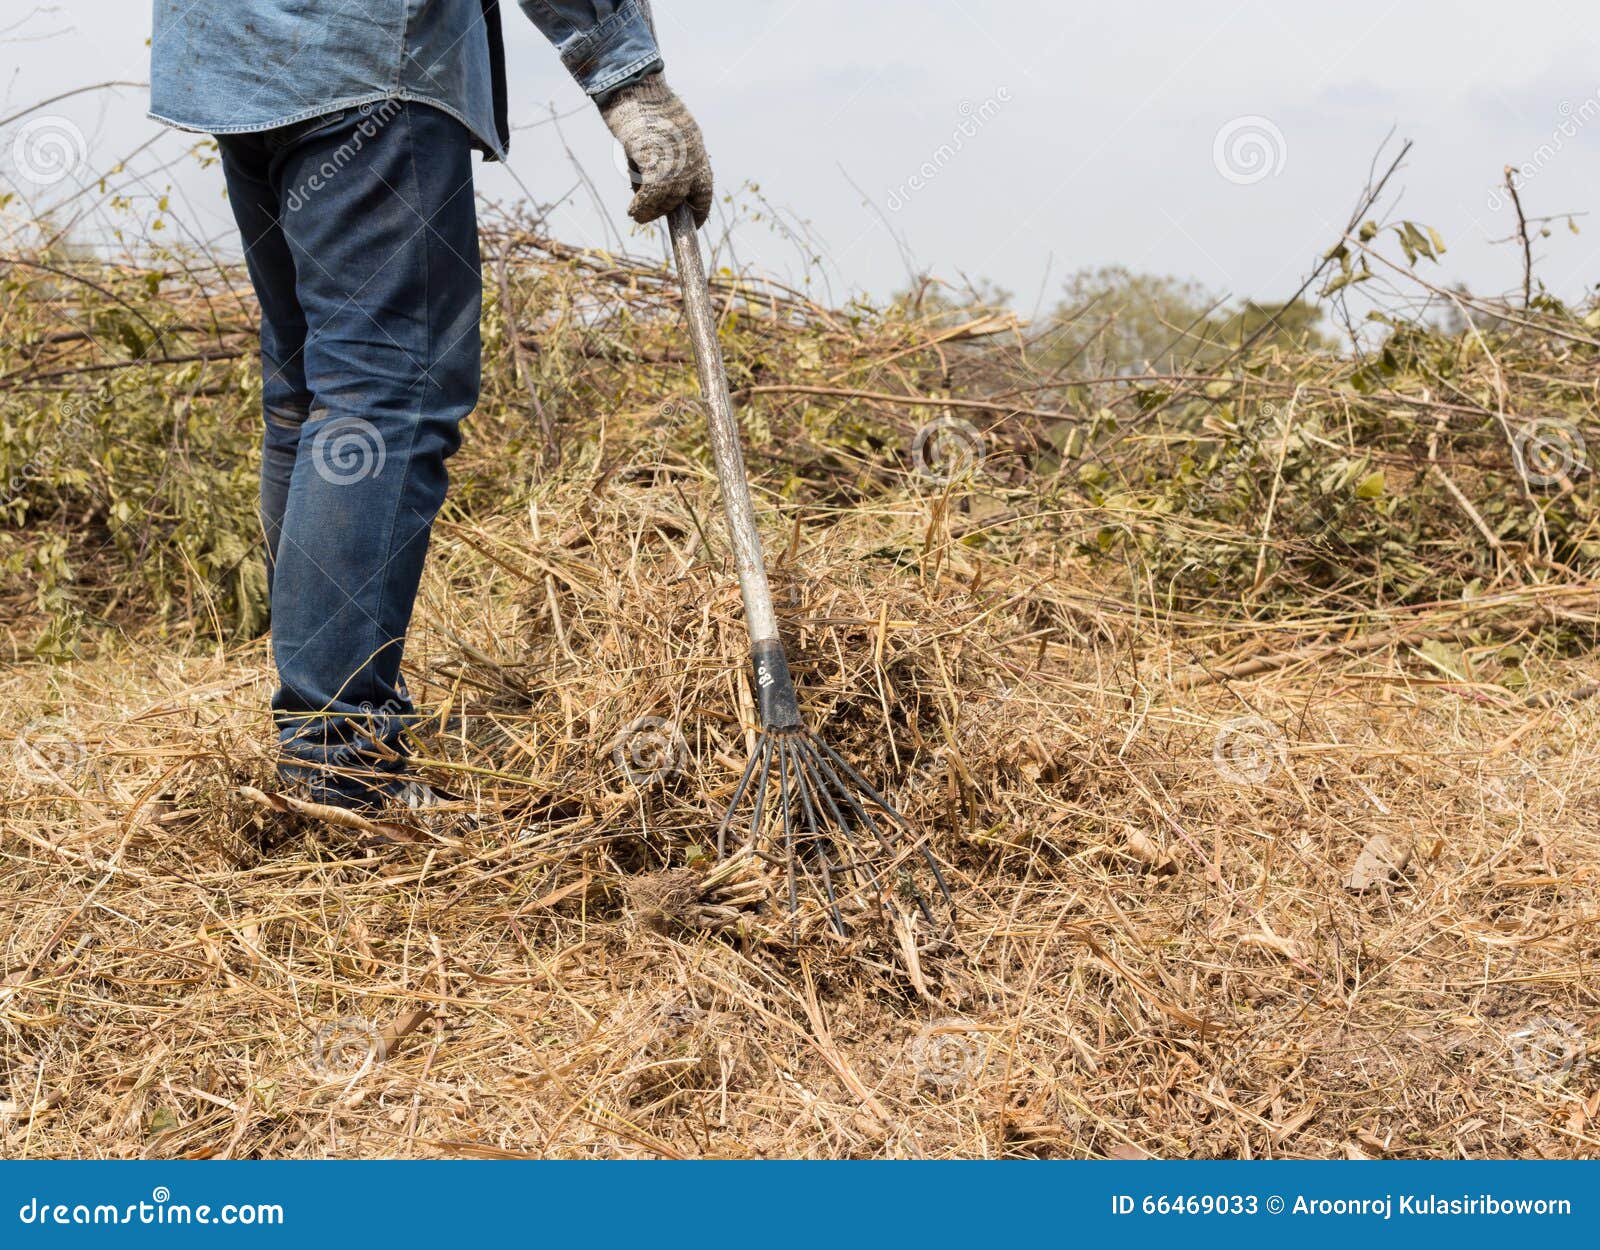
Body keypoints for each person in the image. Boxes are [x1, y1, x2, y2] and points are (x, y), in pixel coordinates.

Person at [146, 1, 713, 810]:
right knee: (382, 392)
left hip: (233, 59)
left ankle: (320, 738)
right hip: (368, 56)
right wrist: (627, 77)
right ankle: (339, 756)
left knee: (311, 389)